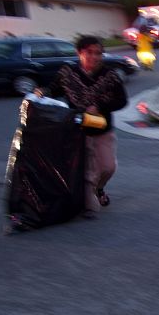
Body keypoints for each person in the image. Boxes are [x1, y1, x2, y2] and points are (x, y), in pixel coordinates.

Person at [39, 35, 128, 219]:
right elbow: (54, 90)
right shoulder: (67, 73)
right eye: (89, 52)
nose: (95, 57)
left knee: (108, 167)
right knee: (88, 170)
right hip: (77, 130)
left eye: (98, 53)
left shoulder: (109, 75)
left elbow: (122, 100)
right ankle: (89, 206)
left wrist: (101, 107)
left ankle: (99, 188)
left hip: (102, 128)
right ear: (79, 53)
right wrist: (42, 92)